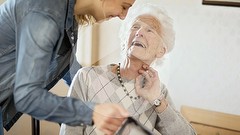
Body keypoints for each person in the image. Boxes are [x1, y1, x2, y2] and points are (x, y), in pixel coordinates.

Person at [0, 0, 137, 134]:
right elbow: (26, 96)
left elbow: (70, 67)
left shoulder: (67, 17)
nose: (123, 16)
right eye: (124, 6)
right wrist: (92, 113)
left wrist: (102, 96)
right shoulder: (45, 14)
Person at [60, 3, 197, 135]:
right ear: (125, 40)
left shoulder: (159, 92)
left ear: (161, 51)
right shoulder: (86, 77)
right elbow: (69, 131)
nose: (139, 33)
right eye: (135, 27)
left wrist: (157, 100)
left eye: (149, 30)